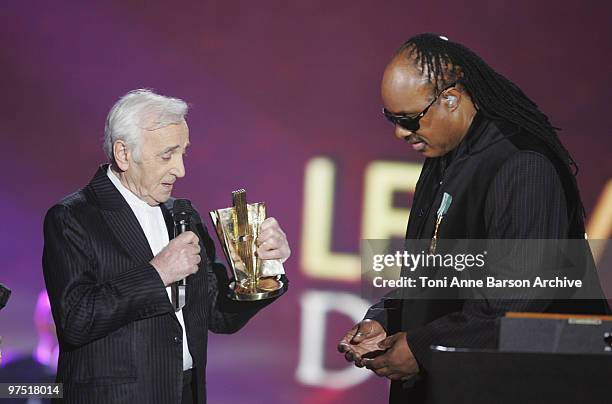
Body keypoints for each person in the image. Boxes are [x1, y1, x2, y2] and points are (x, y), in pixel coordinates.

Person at [338, 33, 610, 402]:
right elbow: (432, 271)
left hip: (523, 386)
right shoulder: (446, 155)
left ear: (450, 99)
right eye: (391, 117)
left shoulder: (522, 164)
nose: (400, 132)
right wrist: (386, 319)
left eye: (410, 119)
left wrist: (421, 347)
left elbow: (514, 303)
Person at [42, 89, 290, 404]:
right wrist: (158, 273)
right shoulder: (73, 217)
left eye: (183, 153)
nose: (181, 169)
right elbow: (76, 320)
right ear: (123, 154)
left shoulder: (182, 215)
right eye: (167, 155)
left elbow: (218, 315)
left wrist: (266, 266)